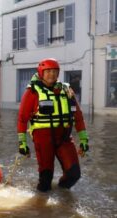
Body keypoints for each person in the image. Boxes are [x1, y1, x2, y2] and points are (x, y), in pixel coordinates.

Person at [17, 58, 89, 192]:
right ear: (41, 72)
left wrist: (84, 140)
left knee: (74, 175)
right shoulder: (32, 92)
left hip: (64, 138)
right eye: (48, 71)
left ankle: (62, 197)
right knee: (45, 180)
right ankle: (42, 206)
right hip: (43, 139)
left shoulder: (67, 90)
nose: (52, 74)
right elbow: (22, 119)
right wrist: (22, 143)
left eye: (55, 71)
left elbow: (78, 117)